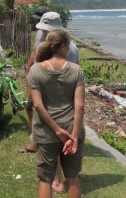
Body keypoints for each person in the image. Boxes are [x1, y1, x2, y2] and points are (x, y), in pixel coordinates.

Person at [20, 11, 79, 194]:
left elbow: (40, 99)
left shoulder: (62, 52)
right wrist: (76, 133)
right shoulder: (70, 52)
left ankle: (58, 180)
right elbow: (80, 104)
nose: (43, 33)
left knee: (47, 173)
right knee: (72, 172)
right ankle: (58, 178)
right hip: (66, 112)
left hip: (50, 112)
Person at [29, 29, 85, 198]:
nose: (69, 49)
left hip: (46, 133)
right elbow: (80, 106)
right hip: (72, 131)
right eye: (68, 45)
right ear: (62, 46)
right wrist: (73, 135)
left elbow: (38, 105)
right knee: (72, 177)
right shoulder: (76, 70)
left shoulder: (36, 70)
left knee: (45, 180)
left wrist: (56, 130)